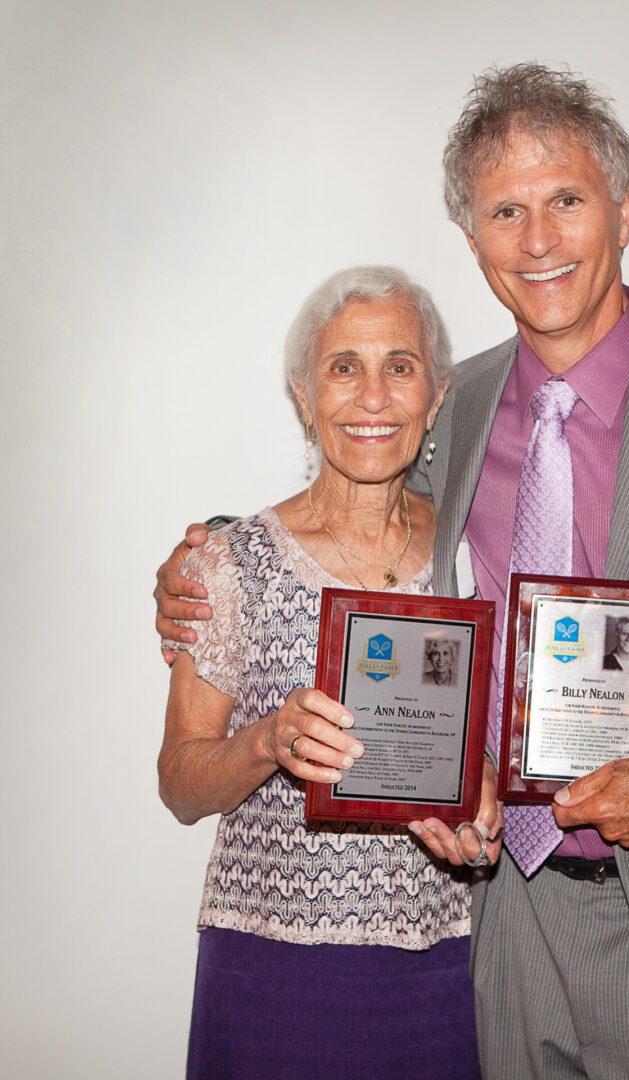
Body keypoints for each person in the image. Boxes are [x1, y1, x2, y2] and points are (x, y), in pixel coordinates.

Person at [156, 64, 629, 1080]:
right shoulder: (451, 411)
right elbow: (351, 494)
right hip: (502, 926)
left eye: (566, 202)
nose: (538, 241)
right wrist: (211, 548)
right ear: (473, 240)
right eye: (506, 211)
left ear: (623, 209)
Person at [156, 265, 497, 1079]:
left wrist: (488, 803)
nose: (372, 396)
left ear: (437, 395)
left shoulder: (479, 553)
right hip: (275, 971)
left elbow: (507, 749)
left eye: (400, 367)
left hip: (452, 965)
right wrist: (266, 742)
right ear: (303, 396)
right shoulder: (229, 564)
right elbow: (179, 783)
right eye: (344, 367)